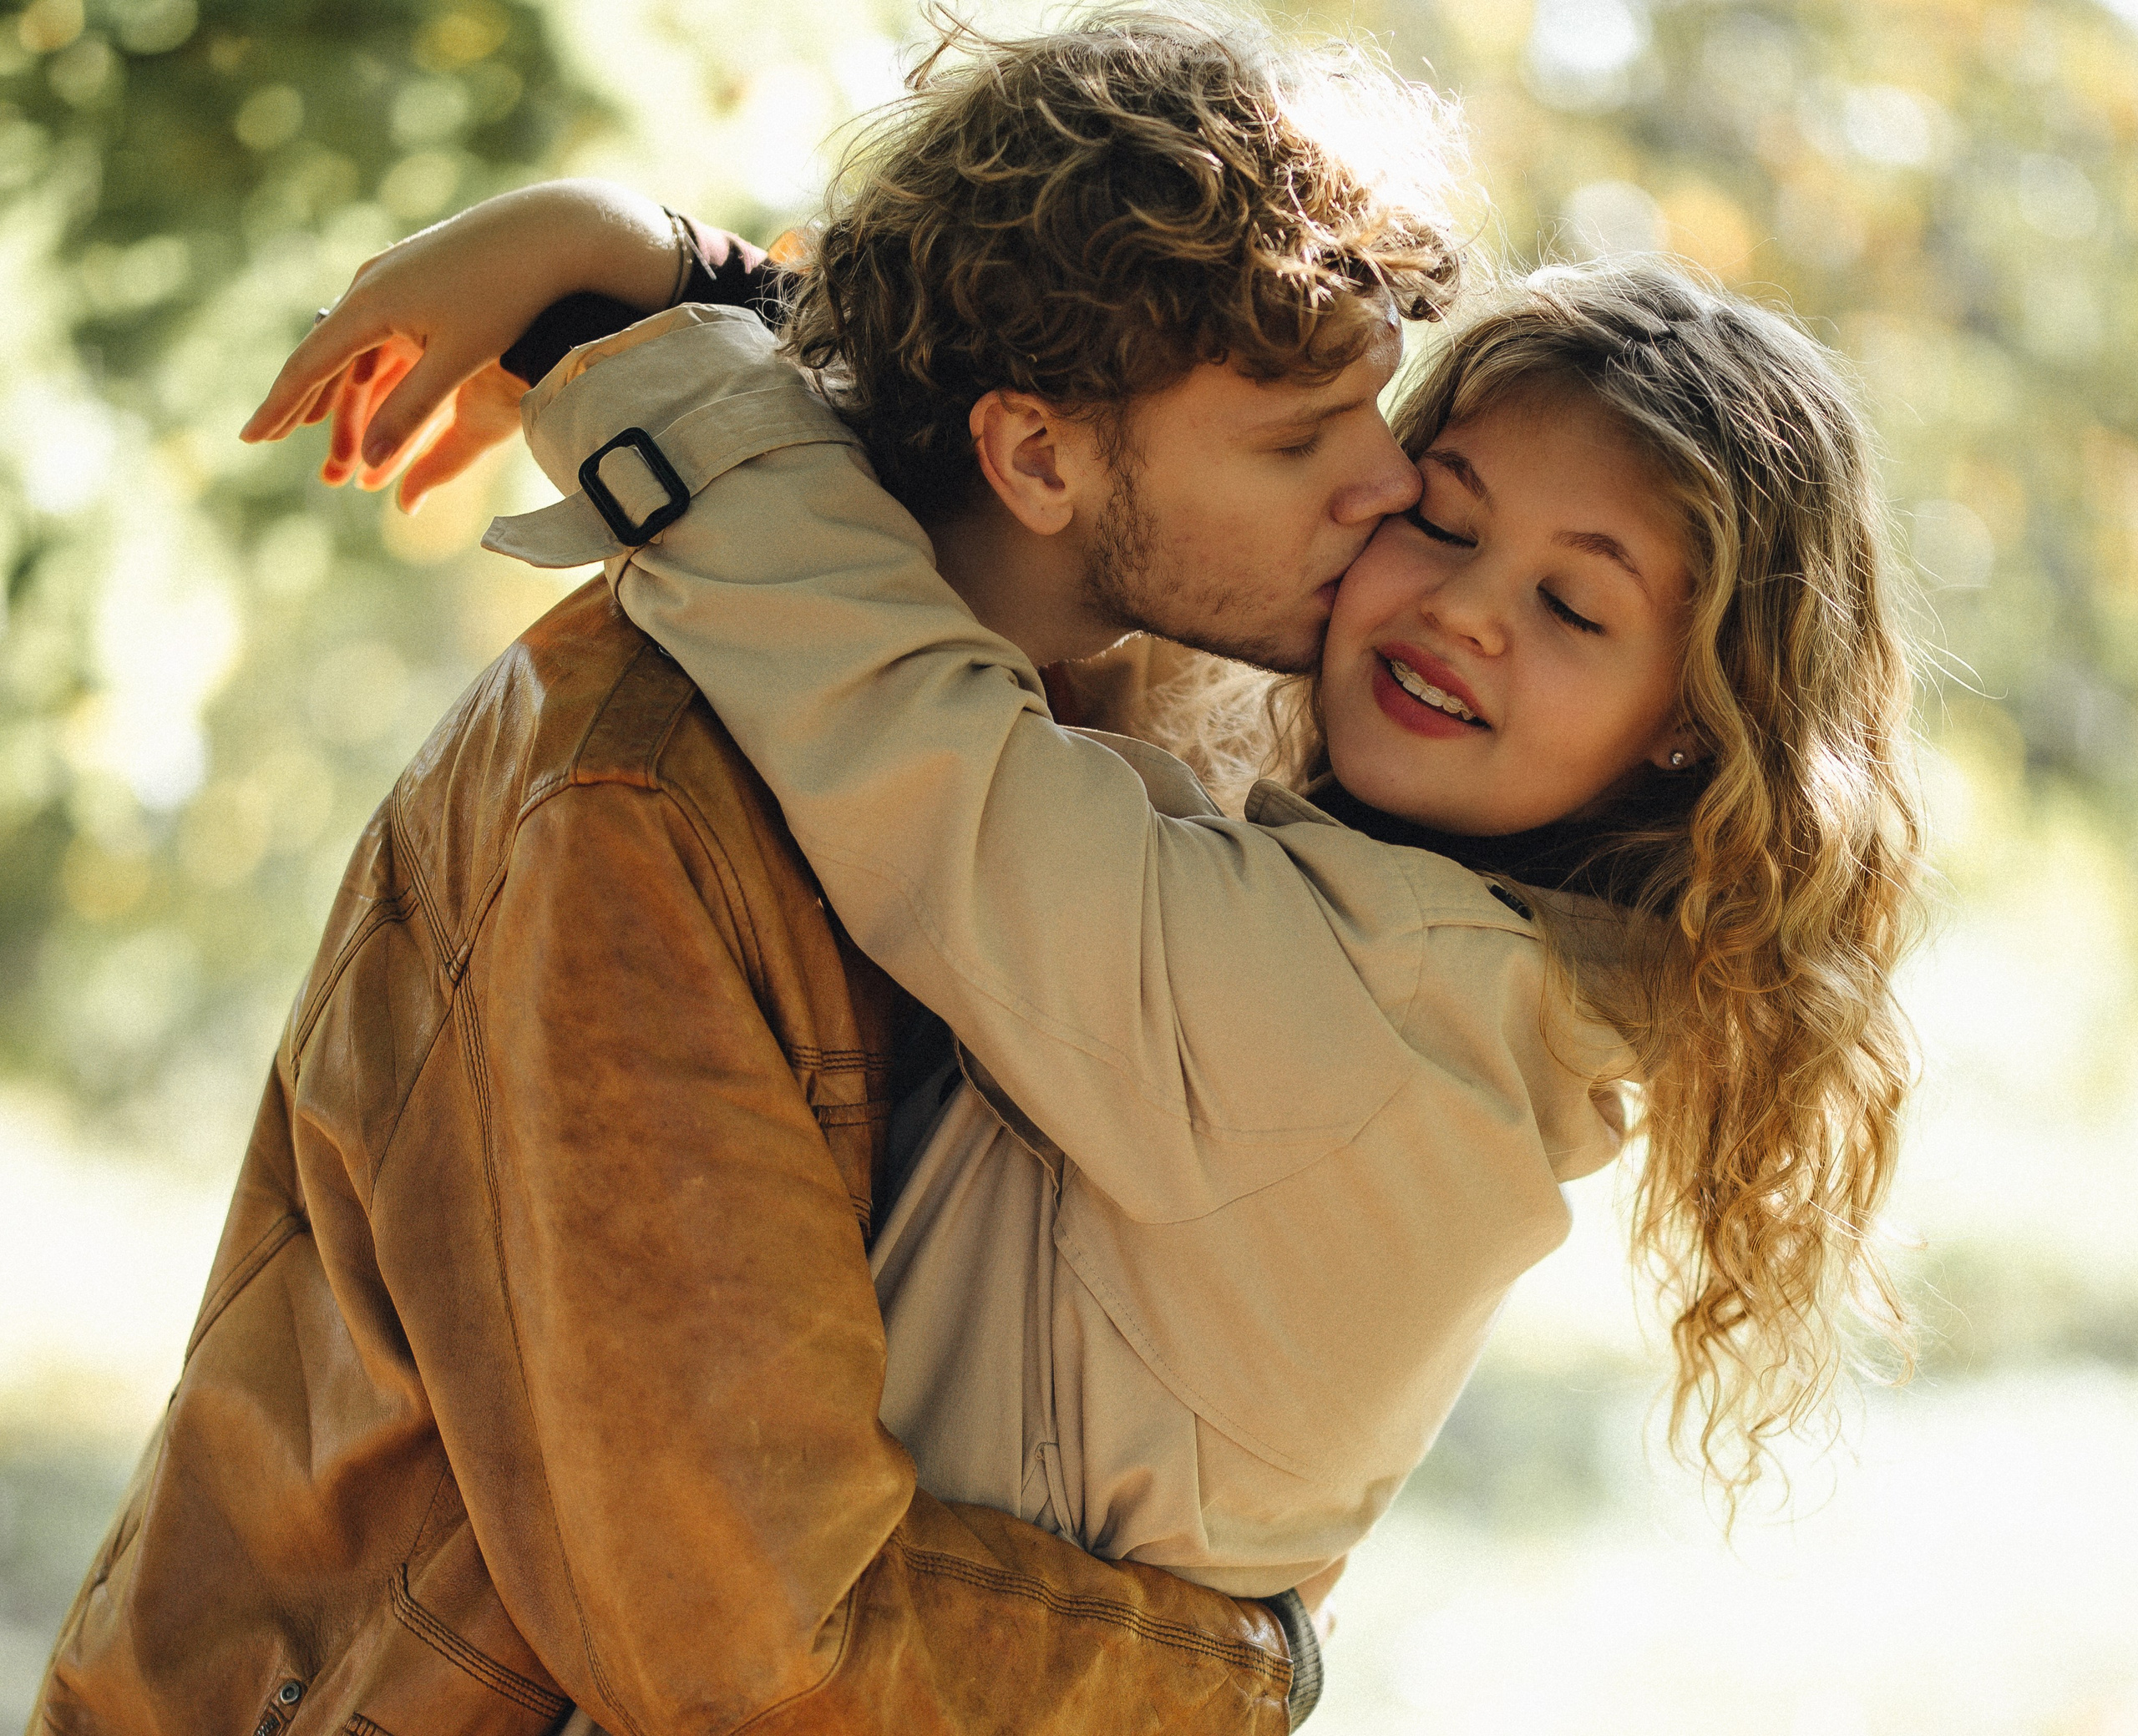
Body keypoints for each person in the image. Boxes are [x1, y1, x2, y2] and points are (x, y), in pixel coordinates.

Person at [32, 13, 1460, 1735]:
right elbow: (749, 1648)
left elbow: (882, 394)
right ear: (1035, 459)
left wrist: (632, 262)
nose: (1389, 482)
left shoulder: (1092, 677)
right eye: (1300, 440)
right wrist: (1250, 1661)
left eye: (1376, 406)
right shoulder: (630, 804)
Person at [465, 259, 1923, 1594]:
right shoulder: (1486, 984)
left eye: (1572, 605)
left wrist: (630, 337)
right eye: (1440, 518)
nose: (1468, 609)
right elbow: (1100, 465)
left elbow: (894, 718)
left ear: (1691, 719)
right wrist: (704, 273)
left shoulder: (1376, 1014)